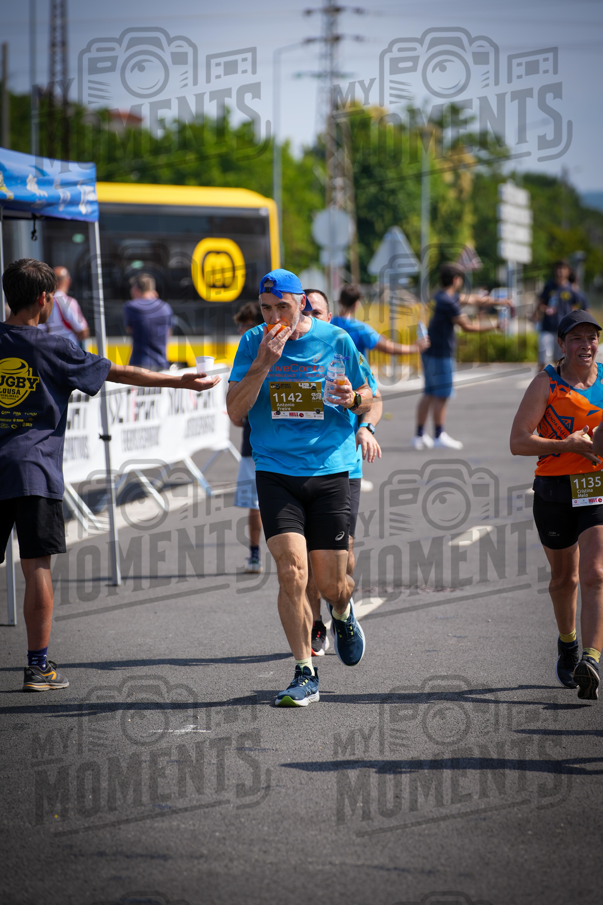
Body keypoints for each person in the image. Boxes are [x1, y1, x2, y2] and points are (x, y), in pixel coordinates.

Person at [0, 259, 220, 692]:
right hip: (34, 471)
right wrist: (180, 382)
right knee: (36, 568)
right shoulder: (55, 346)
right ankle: (38, 667)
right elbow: (117, 372)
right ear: (46, 299)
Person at [227, 268, 374, 707]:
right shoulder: (254, 343)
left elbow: (370, 397)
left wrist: (352, 400)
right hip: (275, 471)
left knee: (332, 583)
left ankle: (343, 612)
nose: (274, 317)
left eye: (283, 308)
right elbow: (235, 412)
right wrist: (262, 366)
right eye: (266, 309)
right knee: (292, 571)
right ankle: (304, 671)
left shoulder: (337, 340)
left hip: (330, 470)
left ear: (302, 305)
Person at [510, 309, 603, 701]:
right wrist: (566, 445)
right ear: (562, 344)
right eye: (577, 339)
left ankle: (592, 658)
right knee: (565, 579)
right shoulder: (545, 384)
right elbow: (518, 442)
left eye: (592, 338)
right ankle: (568, 642)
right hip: (553, 489)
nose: (586, 345)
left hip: (595, 485)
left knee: (596, 570)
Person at [304, 288, 382, 657]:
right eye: (305, 310)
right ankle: (317, 623)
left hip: (342, 466)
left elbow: (373, 398)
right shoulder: (286, 354)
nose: (310, 317)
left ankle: (341, 608)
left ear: (329, 317)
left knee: (341, 557)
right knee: (302, 556)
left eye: (316, 311)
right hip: (294, 469)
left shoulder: (342, 348)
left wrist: (366, 427)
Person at [413, 262, 503, 451]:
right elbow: (467, 326)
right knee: (441, 395)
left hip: (429, 352)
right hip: (441, 353)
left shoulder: (440, 296)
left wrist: (500, 301)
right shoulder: (448, 302)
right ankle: (438, 435)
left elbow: (472, 299)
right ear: (456, 280)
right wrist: (495, 326)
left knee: (429, 393)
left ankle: (420, 435)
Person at [230, 301, 264, 573]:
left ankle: (255, 556)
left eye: (243, 326)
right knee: (255, 504)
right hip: (253, 443)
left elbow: (235, 416)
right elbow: (236, 414)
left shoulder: (255, 352)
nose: (241, 330)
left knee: (258, 504)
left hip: (259, 443)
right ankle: (254, 555)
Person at [331, 283, 429, 358]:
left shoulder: (329, 323)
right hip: (356, 382)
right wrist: (414, 348)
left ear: (340, 301)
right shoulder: (360, 328)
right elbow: (388, 348)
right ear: (356, 304)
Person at [536, 260, 586, 372]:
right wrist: (545, 309)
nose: (560, 272)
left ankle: (559, 387)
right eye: (558, 268)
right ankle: (538, 386)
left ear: (568, 271)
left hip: (563, 330)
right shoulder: (549, 286)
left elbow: (582, 306)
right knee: (543, 360)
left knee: (560, 361)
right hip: (547, 328)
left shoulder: (572, 289)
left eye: (563, 269)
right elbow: (540, 304)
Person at [123, 273, 173, 371]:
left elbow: (129, 330)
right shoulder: (166, 307)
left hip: (140, 364)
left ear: (135, 289)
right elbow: (168, 333)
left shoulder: (130, 306)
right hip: (161, 363)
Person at [39, 266, 89, 348]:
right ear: (68, 281)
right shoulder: (68, 302)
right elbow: (83, 331)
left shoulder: (42, 300)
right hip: (69, 352)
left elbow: (40, 330)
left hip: (49, 350)